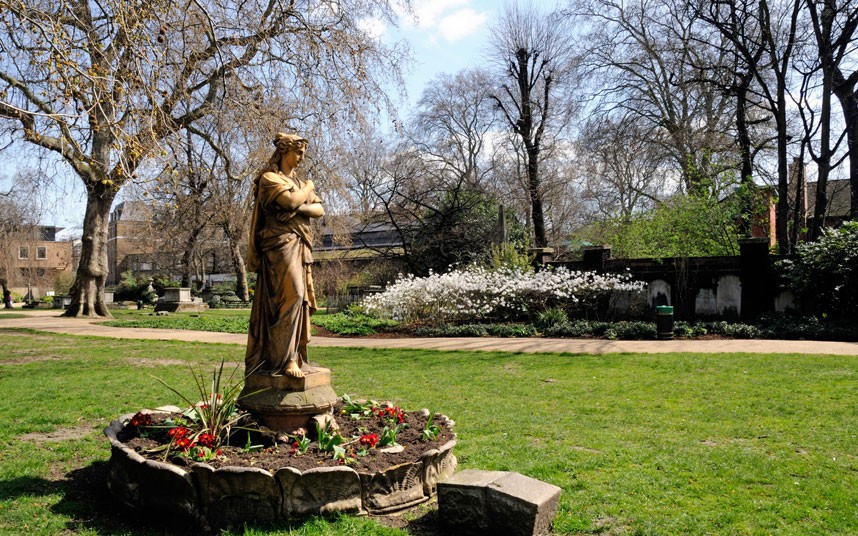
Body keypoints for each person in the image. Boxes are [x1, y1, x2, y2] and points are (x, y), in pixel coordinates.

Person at [245, 133, 324, 379]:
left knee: (299, 301)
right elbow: (289, 201)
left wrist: (300, 207)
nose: (301, 158)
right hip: (278, 247)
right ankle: (283, 360)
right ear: (284, 151)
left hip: (299, 245)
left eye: (303, 153)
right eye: (298, 152)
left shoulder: (299, 183)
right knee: (292, 296)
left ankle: (294, 357)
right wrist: (308, 190)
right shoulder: (269, 178)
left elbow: (318, 209)